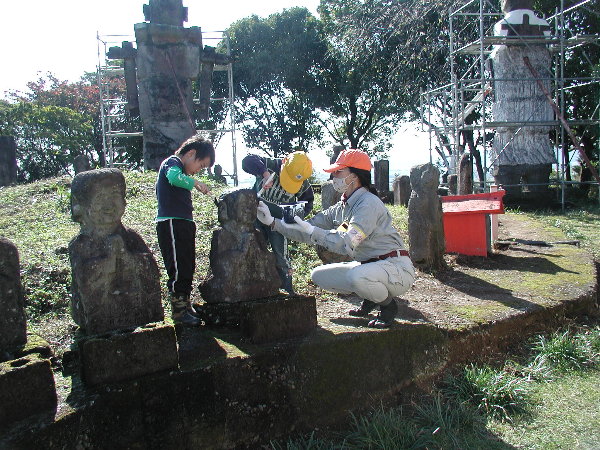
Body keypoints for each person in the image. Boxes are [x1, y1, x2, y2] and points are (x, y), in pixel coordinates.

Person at [256, 149, 415, 328]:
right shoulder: (342, 207)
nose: (334, 176)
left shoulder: (368, 204)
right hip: (369, 266)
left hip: (396, 269)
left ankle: (388, 306)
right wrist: (273, 222)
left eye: (339, 171)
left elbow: (348, 242)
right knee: (318, 276)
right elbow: (307, 228)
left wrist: (313, 231)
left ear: (355, 176)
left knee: (358, 277)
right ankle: (371, 297)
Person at [155, 134, 215, 326]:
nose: (198, 171)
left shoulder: (182, 171)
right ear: (191, 153)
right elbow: (173, 178)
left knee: (187, 265)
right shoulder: (172, 163)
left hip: (184, 223)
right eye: (201, 165)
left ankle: (186, 304)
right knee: (178, 267)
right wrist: (195, 183)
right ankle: (179, 311)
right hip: (171, 223)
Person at [242, 151, 314, 294]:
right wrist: (264, 174)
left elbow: (307, 204)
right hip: (256, 217)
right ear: (283, 164)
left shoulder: (303, 183)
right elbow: (247, 161)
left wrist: (291, 220)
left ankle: (287, 288)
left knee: (281, 255)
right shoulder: (271, 164)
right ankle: (252, 285)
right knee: (253, 248)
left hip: (278, 224)